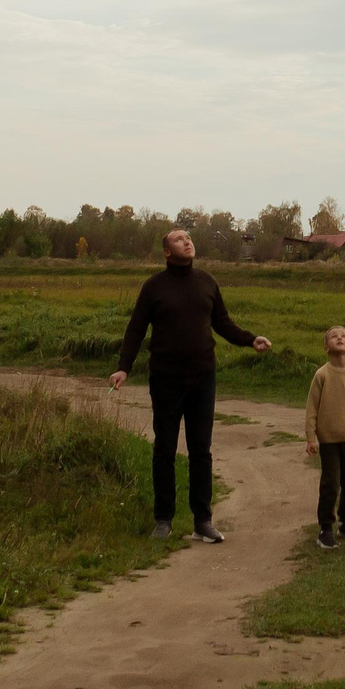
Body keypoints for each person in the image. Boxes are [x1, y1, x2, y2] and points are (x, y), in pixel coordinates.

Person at [109, 228, 271, 542]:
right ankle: (163, 520)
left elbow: (222, 323)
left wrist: (250, 339)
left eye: (188, 237)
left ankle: (202, 521)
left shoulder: (207, 282)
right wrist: (123, 368)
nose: (187, 241)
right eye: (179, 239)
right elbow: (136, 329)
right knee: (164, 449)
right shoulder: (154, 287)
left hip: (202, 378)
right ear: (167, 251)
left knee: (200, 450)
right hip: (165, 379)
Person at [303, 324, 345, 550]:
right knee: (331, 483)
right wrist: (311, 438)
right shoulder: (321, 375)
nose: (340, 338)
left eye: (344, 336)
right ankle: (325, 529)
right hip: (328, 440)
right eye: (334, 336)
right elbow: (312, 408)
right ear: (326, 347)